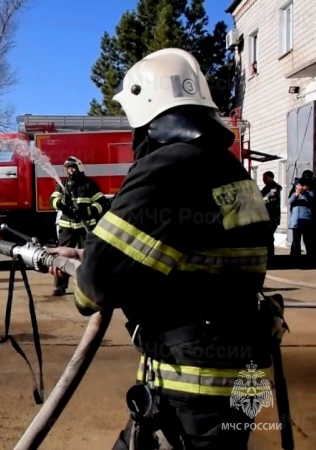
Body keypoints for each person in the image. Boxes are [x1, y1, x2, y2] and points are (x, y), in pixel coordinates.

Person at [47, 48, 285, 449]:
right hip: (240, 379)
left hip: (191, 385)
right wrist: (93, 257)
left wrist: (91, 265)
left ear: (145, 108)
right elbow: (202, 261)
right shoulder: (232, 171)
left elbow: (93, 291)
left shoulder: (165, 170)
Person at [49, 156, 109, 296]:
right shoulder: (63, 185)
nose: (70, 170)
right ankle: (60, 286)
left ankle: (90, 286)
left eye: (73, 167)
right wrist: (60, 204)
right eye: (68, 168)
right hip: (67, 227)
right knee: (62, 256)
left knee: (88, 256)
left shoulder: (89, 185)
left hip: (85, 227)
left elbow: (101, 202)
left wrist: (88, 211)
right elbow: (53, 198)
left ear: (79, 167)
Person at [288, 176, 315, 267]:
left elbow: (311, 200)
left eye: (304, 186)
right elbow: (290, 202)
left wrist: (304, 193)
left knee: (308, 242)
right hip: (296, 222)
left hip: (307, 221)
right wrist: (296, 194)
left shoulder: (311, 193)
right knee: (296, 242)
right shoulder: (295, 193)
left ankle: (310, 260)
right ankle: (296, 260)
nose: (301, 187)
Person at [261, 171, 282, 264]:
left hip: (272, 217)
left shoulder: (274, 188)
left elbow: (266, 199)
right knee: (266, 237)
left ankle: (271, 257)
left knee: (269, 237)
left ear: (270, 177)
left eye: (265, 178)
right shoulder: (266, 188)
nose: (263, 180)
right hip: (265, 217)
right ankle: (268, 256)